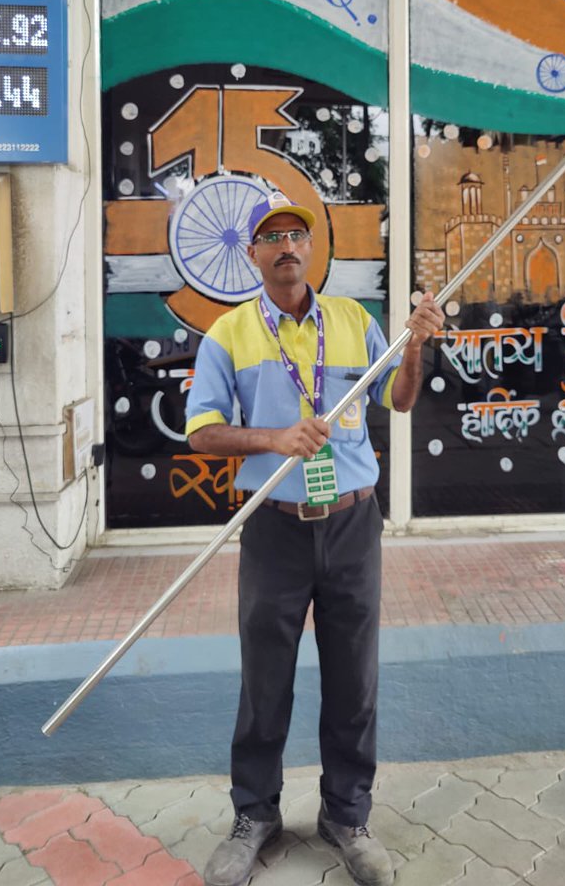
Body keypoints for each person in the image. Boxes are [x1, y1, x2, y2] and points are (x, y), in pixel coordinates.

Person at [184, 191, 444, 886]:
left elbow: (402, 398)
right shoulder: (229, 334)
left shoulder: (355, 321)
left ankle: (347, 815)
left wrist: (414, 343)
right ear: (253, 255)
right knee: (264, 680)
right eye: (272, 237)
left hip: (354, 523)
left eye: (297, 233)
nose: (287, 246)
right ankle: (255, 815)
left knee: (354, 680)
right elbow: (202, 431)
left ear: (312, 247)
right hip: (273, 529)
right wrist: (274, 438)